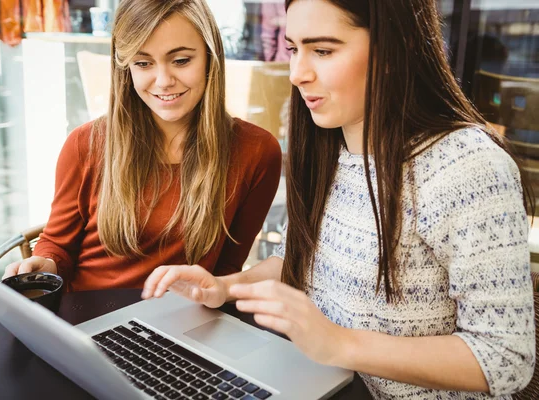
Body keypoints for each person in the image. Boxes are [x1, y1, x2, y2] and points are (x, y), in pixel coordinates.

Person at [142, 0, 536, 398]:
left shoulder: (467, 166)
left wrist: (340, 343)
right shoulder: (328, 147)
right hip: (321, 385)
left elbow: (505, 359)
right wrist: (226, 288)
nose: (297, 74)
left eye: (323, 51)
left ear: (391, 50)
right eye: (294, 49)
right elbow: (307, 263)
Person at [3, 0, 282, 292]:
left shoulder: (257, 152)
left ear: (211, 58)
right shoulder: (86, 144)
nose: (163, 81)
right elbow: (58, 245)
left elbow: (226, 270)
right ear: (126, 68)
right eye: (143, 63)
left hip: (182, 319)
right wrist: (45, 263)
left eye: (181, 60)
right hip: (85, 319)